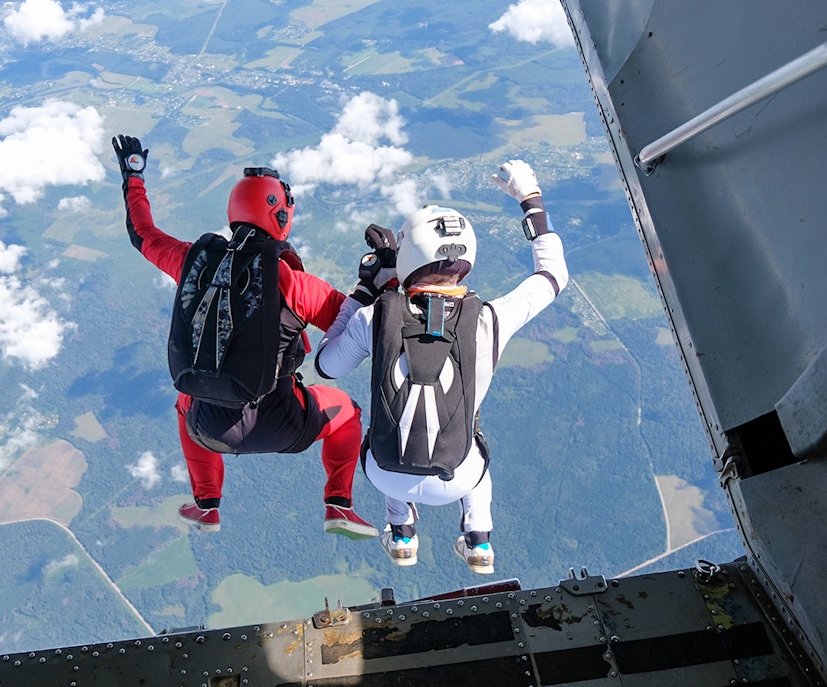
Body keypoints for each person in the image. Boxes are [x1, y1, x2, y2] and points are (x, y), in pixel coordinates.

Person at [112, 134, 378, 539]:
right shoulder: (295, 284)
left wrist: (133, 176)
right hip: (284, 424)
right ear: (281, 218)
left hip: (209, 427)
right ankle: (338, 504)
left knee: (185, 403)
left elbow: (142, 233)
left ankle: (207, 507)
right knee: (348, 412)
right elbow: (357, 323)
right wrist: (384, 279)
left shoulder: (193, 263)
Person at [315, 160, 568, 573]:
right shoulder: (490, 320)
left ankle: (401, 535)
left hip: (384, 472)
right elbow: (554, 275)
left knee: (391, 430)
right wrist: (530, 199)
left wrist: (366, 290)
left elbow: (327, 366)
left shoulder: (374, 317)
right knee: (475, 448)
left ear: (407, 260)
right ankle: (479, 542)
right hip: (459, 477)